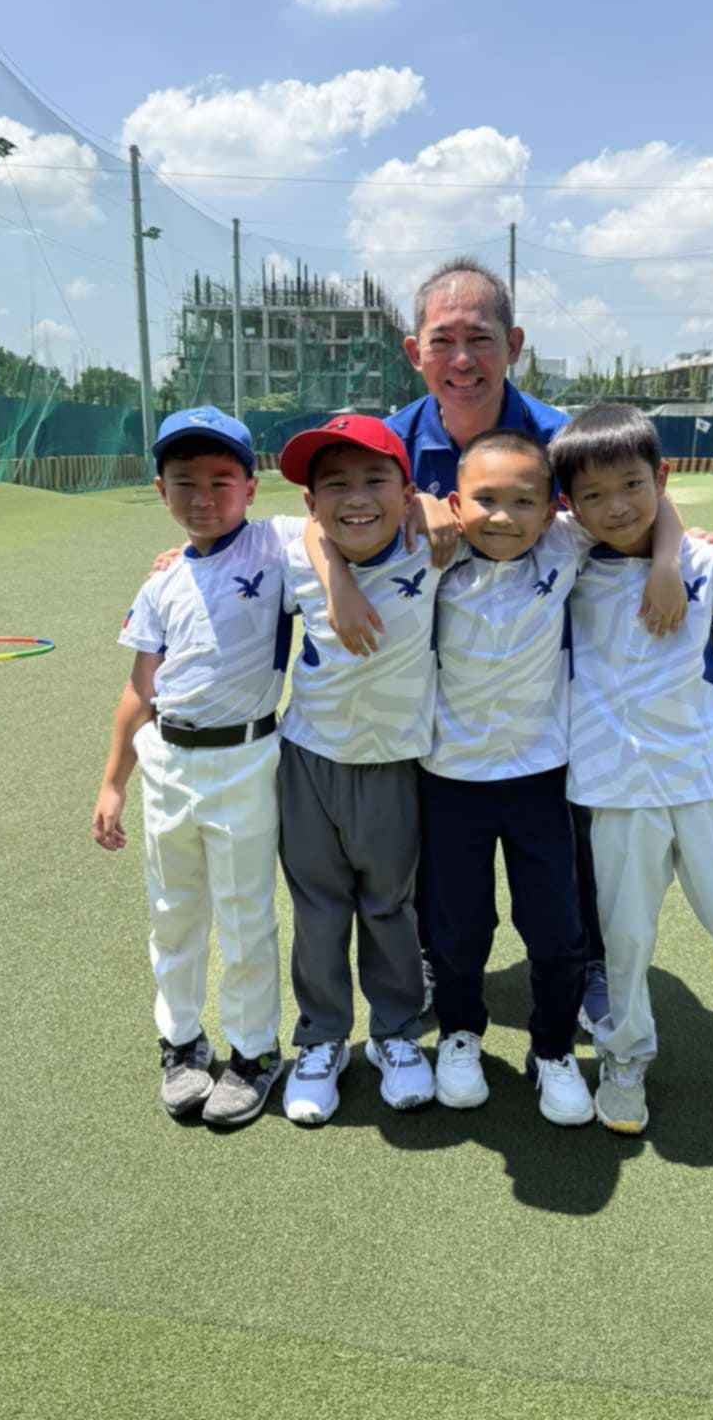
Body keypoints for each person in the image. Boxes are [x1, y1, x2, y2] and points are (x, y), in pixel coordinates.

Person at [318, 257, 713, 1032]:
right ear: (414, 352)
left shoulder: (559, 437)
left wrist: (672, 555)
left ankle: (590, 964)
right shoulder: (391, 445)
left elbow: (645, 495)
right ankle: (434, 959)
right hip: (432, 691)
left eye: (480, 338)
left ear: (513, 345)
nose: (462, 359)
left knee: (570, 830)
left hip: (558, 685)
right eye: (442, 341)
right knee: (438, 838)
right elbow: (318, 517)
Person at [551, 403, 713, 1161]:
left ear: (662, 478)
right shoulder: (567, 558)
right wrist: (663, 552)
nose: (615, 507)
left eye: (632, 486)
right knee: (626, 941)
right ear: (571, 503)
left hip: (705, 785)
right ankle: (625, 1057)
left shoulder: (703, 563)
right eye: (593, 494)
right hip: (613, 793)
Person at [92, 406, 289, 1127]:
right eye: (184, 482)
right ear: (160, 490)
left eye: (220, 481)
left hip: (246, 760)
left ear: (251, 487)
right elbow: (140, 690)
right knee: (173, 914)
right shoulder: (161, 583)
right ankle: (181, 1041)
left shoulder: (277, 545)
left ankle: (254, 1052)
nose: (202, 498)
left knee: (244, 916)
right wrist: (113, 782)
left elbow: (351, 528)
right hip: (168, 762)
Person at [420, 428, 594, 1126]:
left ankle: (552, 1048)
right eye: (485, 499)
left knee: (556, 928)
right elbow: (316, 530)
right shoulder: (430, 550)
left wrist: (679, 547)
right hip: (449, 780)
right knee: (458, 927)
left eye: (524, 501)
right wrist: (421, 508)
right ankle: (460, 1034)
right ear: (455, 504)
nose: (503, 516)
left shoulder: (566, 545)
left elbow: (642, 516)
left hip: (540, 779)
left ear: (551, 510)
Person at [275, 415, 439, 1126]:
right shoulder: (290, 551)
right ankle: (321, 1039)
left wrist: (684, 543)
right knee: (317, 908)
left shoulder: (435, 547)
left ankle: (396, 1033)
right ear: (311, 503)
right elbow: (222, 548)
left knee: (389, 905)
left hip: (394, 763)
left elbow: (538, 522)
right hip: (308, 760)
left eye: (376, 479)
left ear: (408, 492)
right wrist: (333, 574)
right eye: (335, 485)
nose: (357, 498)